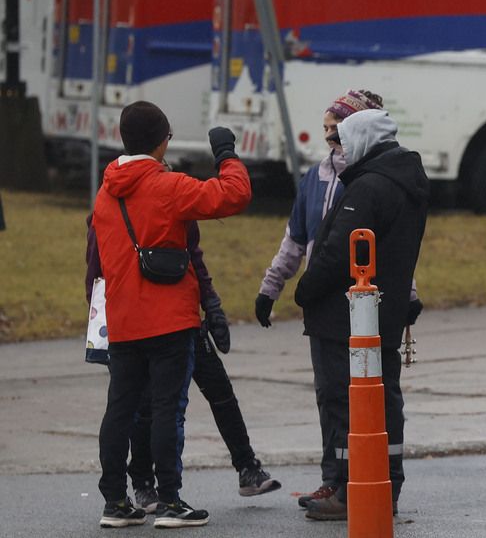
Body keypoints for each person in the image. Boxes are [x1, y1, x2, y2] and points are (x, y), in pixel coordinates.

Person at [90, 101, 251, 529]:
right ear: (162, 142)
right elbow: (233, 195)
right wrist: (226, 154)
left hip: (122, 322)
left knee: (119, 411)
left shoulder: (106, 194)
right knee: (166, 409)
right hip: (169, 319)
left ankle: (114, 503)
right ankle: (168, 501)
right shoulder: (168, 185)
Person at [254, 89, 392, 510]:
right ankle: (334, 480)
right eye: (327, 133)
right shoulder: (314, 179)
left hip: (364, 305)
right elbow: (294, 241)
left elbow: (396, 246)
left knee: (364, 397)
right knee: (329, 395)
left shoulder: (371, 182)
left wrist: (409, 293)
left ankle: (366, 482)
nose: (331, 142)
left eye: (339, 133)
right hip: (322, 303)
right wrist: (270, 288)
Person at [85, 219, 280, 514]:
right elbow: (96, 275)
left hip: (181, 318)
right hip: (137, 327)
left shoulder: (171, 201)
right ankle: (145, 486)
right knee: (146, 408)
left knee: (217, 390)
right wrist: (105, 322)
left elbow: (192, 258)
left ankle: (247, 466)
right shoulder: (108, 210)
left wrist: (210, 303)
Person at [293, 108, 429, 521]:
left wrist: (304, 291)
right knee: (383, 401)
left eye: (346, 141)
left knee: (343, 402)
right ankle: (384, 485)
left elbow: (339, 250)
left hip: (346, 315)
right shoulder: (406, 181)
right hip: (384, 316)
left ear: (365, 140)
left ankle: (349, 488)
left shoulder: (369, 187)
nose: (342, 151)